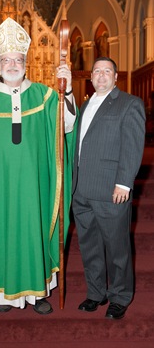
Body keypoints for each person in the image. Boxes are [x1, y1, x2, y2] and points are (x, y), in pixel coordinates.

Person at [0, 17, 77, 314]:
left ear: (26, 60)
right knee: (1, 231)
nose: (12, 64)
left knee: (33, 230)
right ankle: (2, 296)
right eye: (7, 59)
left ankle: (37, 294)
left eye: (17, 59)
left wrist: (69, 91)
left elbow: (65, 126)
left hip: (33, 184)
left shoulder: (44, 95)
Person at [72, 57, 146, 319]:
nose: (101, 76)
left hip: (110, 190)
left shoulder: (129, 104)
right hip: (81, 190)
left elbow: (132, 146)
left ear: (116, 77)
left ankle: (120, 296)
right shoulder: (85, 104)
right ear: (90, 77)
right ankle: (96, 293)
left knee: (117, 249)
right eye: (97, 72)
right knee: (90, 246)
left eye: (107, 72)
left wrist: (124, 182)